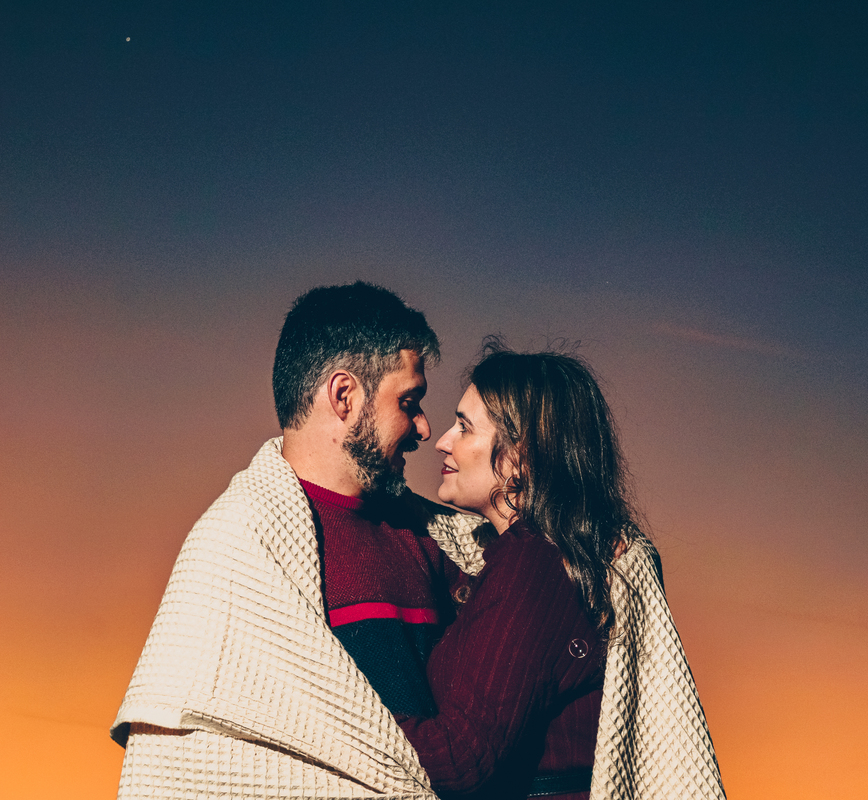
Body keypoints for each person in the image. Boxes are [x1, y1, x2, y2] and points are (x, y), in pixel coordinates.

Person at [110, 282, 483, 799]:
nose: (423, 427)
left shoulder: (441, 542)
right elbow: (181, 766)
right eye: (409, 401)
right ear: (344, 396)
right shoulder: (233, 551)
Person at [398, 344, 728, 800]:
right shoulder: (535, 557)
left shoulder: (535, 566)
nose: (443, 440)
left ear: (523, 458)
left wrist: (323, 715)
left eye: (465, 427)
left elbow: (459, 760)